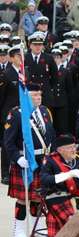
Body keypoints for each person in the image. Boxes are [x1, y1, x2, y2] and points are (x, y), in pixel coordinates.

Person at [4, 83, 56, 237]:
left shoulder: (45, 111)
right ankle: (19, 229)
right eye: (35, 95)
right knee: (22, 198)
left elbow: (51, 135)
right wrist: (17, 158)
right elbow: (8, 141)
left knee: (38, 198)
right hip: (25, 161)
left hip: (43, 161)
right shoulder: (17, 113)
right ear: (26, 96)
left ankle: (37, 227)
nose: (39, 98)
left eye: (40, 94)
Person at [40, 134, 79, 237]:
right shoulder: (50, 160)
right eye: (70, 148)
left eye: (74, 146)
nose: (74, 150)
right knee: (74, 222)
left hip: (77, 198)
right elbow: (44, 179)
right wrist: (68, 175)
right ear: (60, 150)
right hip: (57, 198)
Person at [24, 31, 58, 109]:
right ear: (30, 45)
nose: (38, 47)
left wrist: (48, 90)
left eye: (40, 44)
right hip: (30, 95)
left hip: (44, 95)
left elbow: (55, 77)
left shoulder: (48, 58)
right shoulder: (25, 58)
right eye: (35, 44)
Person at [0, 45, 18, 185]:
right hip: (9, 114)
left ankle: (17, 170)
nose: (20, 58)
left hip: (22, 113)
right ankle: (5, 173)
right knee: (7, 143)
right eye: (18, 56)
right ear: (11, 58)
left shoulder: (26, 72)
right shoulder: (6, 74)